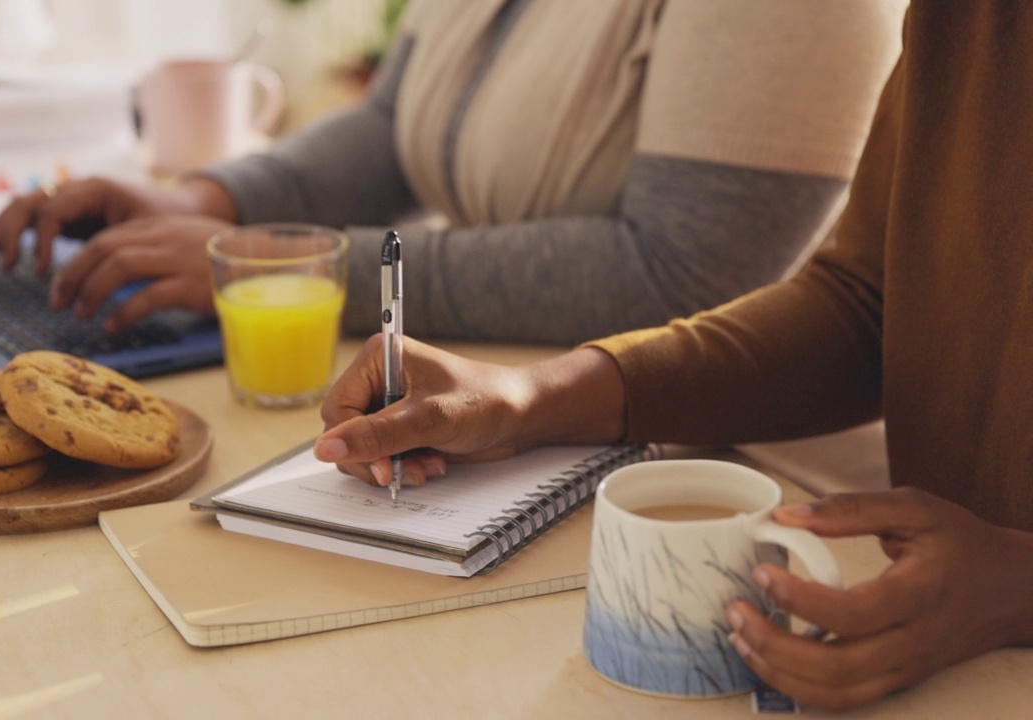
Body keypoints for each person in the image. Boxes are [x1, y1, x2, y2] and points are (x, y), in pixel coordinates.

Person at [312, 2, 1033, 712]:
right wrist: (530, 400)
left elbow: (684, 263)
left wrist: (1013, 584)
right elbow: (871, 300)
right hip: (942, 652)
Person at [0, 0, 905, 345]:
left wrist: (302, 268)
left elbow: (684, 277)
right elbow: (395, 125)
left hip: (715, 471)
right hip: (507, 402)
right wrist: (207, 199)